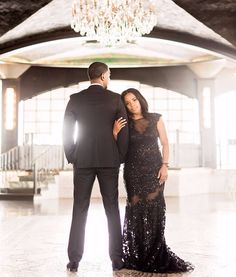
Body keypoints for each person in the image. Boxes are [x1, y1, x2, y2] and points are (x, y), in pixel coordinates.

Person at [113, 88, 194, 273]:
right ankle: (138, 254)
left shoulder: (156, 118)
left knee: (154, 210)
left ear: (140, 99)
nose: (132, 104)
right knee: (136, 212)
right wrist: (116, 132)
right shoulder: (124, 123)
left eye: (134, 100)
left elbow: (165, 143)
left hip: (154, 170)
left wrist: (165, 165)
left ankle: (155, 253)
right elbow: (118, 148)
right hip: (132, 172)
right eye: (127, 103)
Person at [63, 62, 129, 272]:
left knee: (79, 209)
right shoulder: (115, 99)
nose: (108, 78)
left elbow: (66, 130)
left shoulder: (75, 99)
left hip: (82, 161)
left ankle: (74, 260)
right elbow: (124, 131)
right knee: (112, 209)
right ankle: (117, 259)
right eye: (108, 75)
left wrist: (72, 155)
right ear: (102, 76)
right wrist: (119, 156)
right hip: (109, 161)